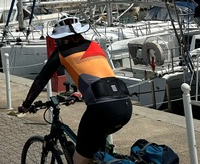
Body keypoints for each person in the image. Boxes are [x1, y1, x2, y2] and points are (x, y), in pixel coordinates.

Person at [18, 17, 132, 164]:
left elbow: (41, 79)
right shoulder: (94, 45)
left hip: (101, 109)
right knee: (96, 151)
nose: (57, 43)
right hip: (124, 105)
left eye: (58, 40)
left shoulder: (62, 53)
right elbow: (98, 74)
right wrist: (81, 93)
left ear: (63, 39)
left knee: (79, 159)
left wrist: (26, 105)